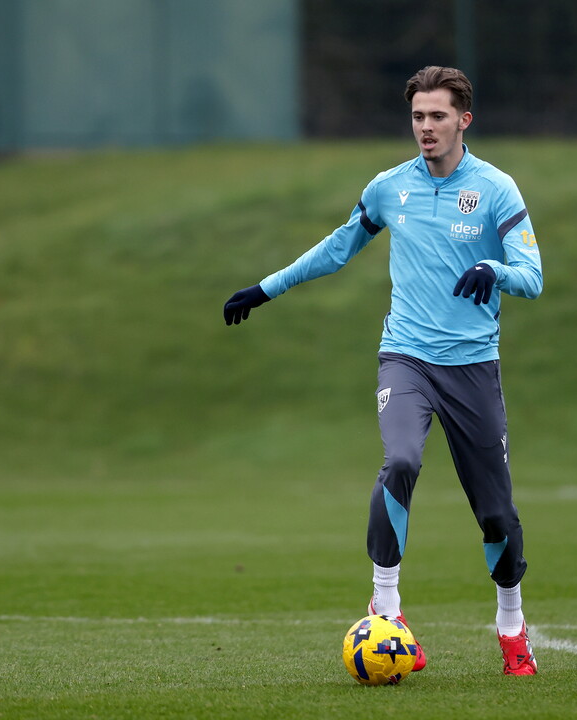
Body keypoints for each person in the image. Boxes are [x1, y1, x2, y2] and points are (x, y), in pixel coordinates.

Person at [223, 66, 541, 676]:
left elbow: (534, 275)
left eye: (438, 116)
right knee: (401, 461)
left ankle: (511, 624)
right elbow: (337, 248)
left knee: (496, 514)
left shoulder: (497, 190)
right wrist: (265, 290)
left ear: (464, 120)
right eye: (418, 116)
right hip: (406, 359)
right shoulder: (389, 188)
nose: (426, 127)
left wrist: (495, 271)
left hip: (473, 368)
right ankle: (387, 609)